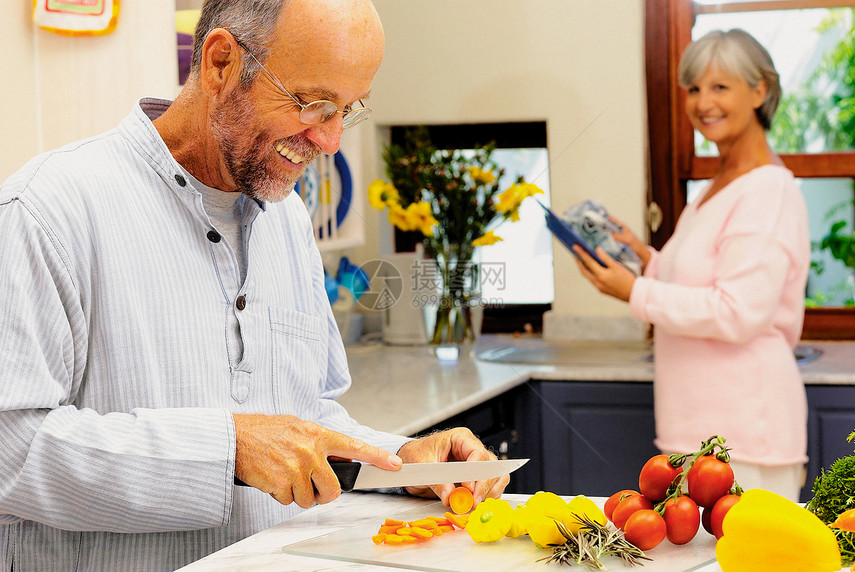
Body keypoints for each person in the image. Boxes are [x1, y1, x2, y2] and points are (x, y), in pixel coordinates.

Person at [0, 0, 508, 569]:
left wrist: (403, 462)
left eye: (348, 110)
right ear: (220, 63)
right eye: (313, 105)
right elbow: (9, 451)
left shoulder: (286, 217)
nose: (332, 140)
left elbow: (305, 416)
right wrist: (228, 449)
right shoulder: (46, 211)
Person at [573, 29, 810, 501]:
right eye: (694, 88)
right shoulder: (719, 185)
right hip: (698, 433)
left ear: (759, 90)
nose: (703, 102)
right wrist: (647, 259)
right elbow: (705, 277)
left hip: (747, 436)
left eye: (720, 87)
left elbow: (737, 311)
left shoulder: (768, 190)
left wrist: (635, 292)